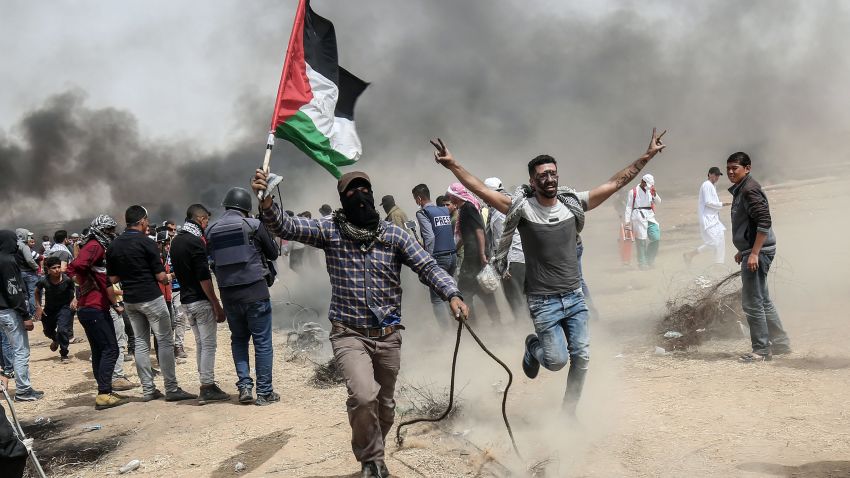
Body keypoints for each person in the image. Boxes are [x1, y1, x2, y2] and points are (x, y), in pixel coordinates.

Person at [432, 129, 666, 417]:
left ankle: (569, 413)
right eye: (542, 175)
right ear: (532, 180)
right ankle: (533, 346)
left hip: (574, 296)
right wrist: (453, 164)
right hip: (544, 301)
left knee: (581, 357)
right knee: (556, 361)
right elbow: (481, 190)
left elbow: (615, 183)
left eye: (553, 173)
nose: (550, 178)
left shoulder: (573, 204)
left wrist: (647, 156)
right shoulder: (522, 208)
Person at [253, 168, 468, 478]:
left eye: (364, 190)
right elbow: (284, 225)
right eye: (352, 193)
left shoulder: (393, 235)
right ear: (343, 199)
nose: (360, 197)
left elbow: (427, 264)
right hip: (348, 334)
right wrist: (265, 200)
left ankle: (375, 447)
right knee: (363, 396)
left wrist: (452, 294)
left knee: (386, 405)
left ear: (372, 193)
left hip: (389, 334)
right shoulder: (330, 232)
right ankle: (371, 459)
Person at [106, 206, 196, 402]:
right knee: (164, 341)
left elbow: (112, 278)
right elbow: (161, 277)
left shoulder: (114, 245)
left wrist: (129, 273)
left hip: (130, 300)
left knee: (140, 342)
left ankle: (148, 389)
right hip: (151, 297)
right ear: (142, 220)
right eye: (146, 220)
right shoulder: (147, 243)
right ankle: (171, 389)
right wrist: (172, 275)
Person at [205, 188, 279, 406]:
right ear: (246, 208)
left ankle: (245, 387)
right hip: (255, 292)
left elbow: (211, 260)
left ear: (227, 205)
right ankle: (264, 393)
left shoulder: (211, 230)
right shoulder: (253, 225)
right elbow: (273, 253)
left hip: (229, 295)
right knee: (262, 342)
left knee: (239, 340)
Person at [68, 215, 140, 409]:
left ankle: (105, 390)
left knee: (100, 350)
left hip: (92, 308)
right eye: (108, 230)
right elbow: (75, 267)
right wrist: (85, 278)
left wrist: (86, 278)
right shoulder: (95, 246)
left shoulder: (95, 246)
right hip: (93, 308)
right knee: (111, 349)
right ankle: (103, 394)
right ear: (100, 230)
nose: (111, 233)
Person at [726, 152, 791, 362]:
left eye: (735, 168)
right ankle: (781, 344)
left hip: (759, 252)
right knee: (762, 299)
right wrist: (744, 249)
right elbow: (750, 225)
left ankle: (761, 351)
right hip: (755, 250)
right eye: (728, 168)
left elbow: (764, 221)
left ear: (747, 168)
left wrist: (753, 252)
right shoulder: (742, 189)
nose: (730, 172)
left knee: (752, 302)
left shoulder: (749, 190)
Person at [171, 204, 230, 405]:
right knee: (209, 344)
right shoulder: (196, 242)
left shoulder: (176, 241)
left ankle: (206, 383)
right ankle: (207, 386)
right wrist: (216, 303)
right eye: (206, 220)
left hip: (185, 301)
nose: (207, 224)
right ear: (201, 218)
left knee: (200, 344)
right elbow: (204, 277)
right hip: (200, 301)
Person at [447, 182, 502, 324]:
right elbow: (466, 234)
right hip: (473, 255)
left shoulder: (469, 208)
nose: (448, 197)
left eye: (450, 195)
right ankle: (496, 322)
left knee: (464, 291)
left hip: (474, 257)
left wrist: (482, 253)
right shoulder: (464, 208)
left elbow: (479, 231)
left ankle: (472, 324)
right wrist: (455, 249)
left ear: (456, 196)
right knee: (483, 290)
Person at [0, 230, 42, 402]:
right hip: (10, 312)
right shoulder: (8, 261)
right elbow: (14, 292)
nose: (17, 245)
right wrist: (25, 315)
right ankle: (23, 390)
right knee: (21, 351)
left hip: (1, 312)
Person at [483, 178, 528, 321]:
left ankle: (523, 329)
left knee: (514, 297)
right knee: (524, 297)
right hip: (522, 258)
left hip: (512, 261)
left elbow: (504, 239)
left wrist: (505, 265)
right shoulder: (512, 204)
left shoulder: (498, 212)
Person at [412, 183, 457, 326]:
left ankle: (446, 334)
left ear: (419, 198)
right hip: (452, 256)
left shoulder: (422, 213)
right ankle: (456, 324)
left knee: (437, 298)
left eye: (415, 199)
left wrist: (428, 259)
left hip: (438, 258)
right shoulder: (444, 210)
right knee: (451, 292)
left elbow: (430, 237)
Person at [34, 257, 76, 363]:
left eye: (58, 267)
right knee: (47, 331)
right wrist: (38, 306)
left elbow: (75, 289)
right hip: (50, 309)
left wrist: (75, 299)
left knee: (62, 330)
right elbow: (37, 292)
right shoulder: (44, 280)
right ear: (48, 269)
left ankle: (64, 353)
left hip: (65, 308)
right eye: (54, 268)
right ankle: (56, 339)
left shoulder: (67, 279)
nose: (57, 270)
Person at [684, 167, 727, 265]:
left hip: (714, 219)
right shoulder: (707, 185)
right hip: (708, 219)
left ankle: (719, 263)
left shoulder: (712, 186)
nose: (717, 177)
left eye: (718, 175)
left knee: (721, 240)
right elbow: (708, 202)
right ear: (710, 174)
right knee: (714, 243)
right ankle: (690, 254)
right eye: (715, 175)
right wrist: (722, 204)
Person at [624, 173, 662, 269]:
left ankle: (649, 259)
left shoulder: (651, 191)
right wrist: (627, 221)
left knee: (656, 237)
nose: (647, 187)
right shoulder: (633, 192)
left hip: (650, 216)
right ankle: (642, 263)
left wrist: (655, 194)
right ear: (642, 181)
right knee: (641, 240)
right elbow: (628, 207)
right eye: (646, 184)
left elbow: (658, 202)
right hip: (638, 216)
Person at [13, 230, 39, 318]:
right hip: (29, 273)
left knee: (24, 295)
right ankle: (35, 313)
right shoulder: (24, 246)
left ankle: (26, 314)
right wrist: (36, 267)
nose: (29, 237)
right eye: (28, 235)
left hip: (18, 273)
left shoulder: (13, 245)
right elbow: (29, 260)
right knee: (33, 293)